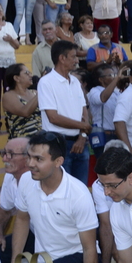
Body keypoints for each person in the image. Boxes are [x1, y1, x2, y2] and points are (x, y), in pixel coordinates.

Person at [8, 132, 102, 263]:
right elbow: (22, 219)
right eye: (29, 156)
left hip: (78, 259)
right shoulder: (26, 180)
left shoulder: (77, 194)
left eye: (38, 159)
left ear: (58, 161)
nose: (30, 164)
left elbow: (89, 249)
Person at [36, 40, 91, 184]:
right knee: (60, 188)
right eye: (73, 56)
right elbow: (53, 117)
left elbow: (84, 111)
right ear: (62, 58)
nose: (77, 60)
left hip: (80, 142)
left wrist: (82, 136)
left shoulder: (75, 81)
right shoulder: (46, 82)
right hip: (57, 144)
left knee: (80, 188)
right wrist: (83, 127)